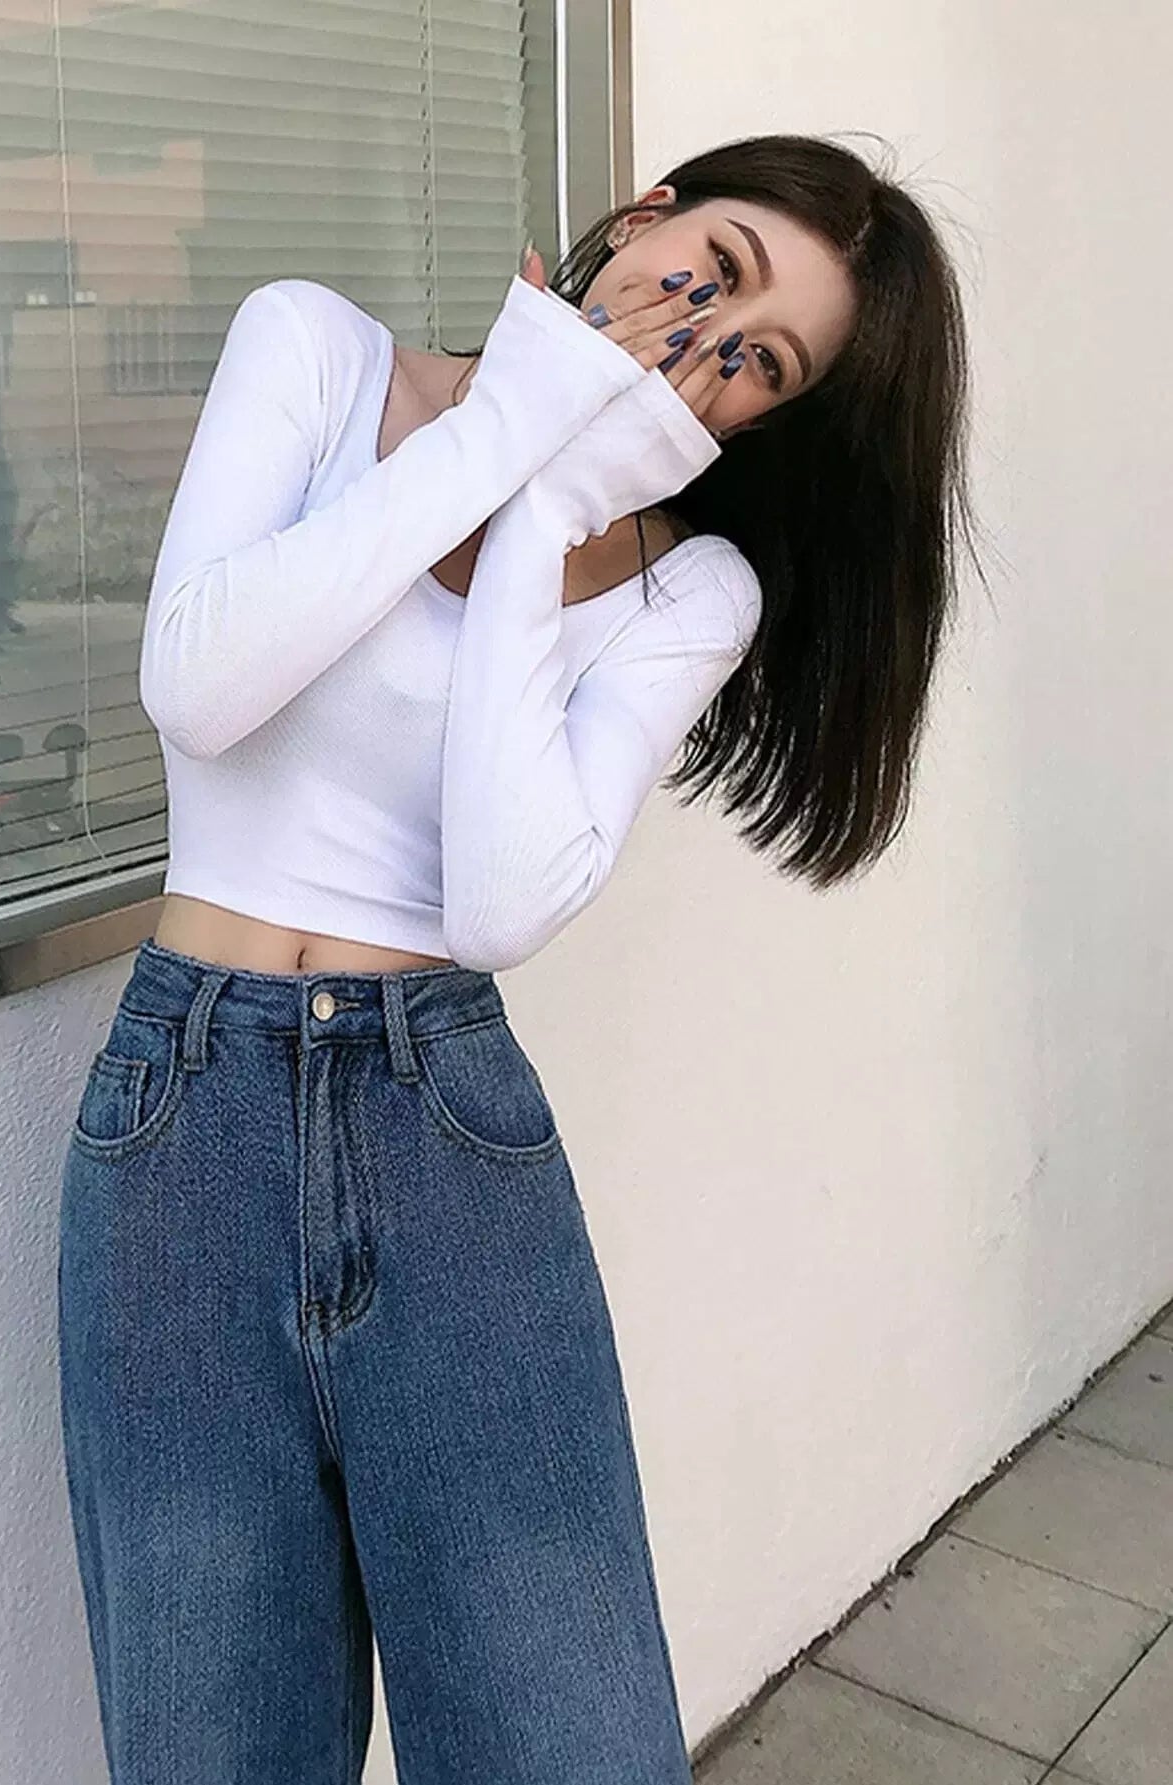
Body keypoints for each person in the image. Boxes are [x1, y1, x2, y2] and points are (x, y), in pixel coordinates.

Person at [57, 133, 974, 1782]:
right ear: (648, 214)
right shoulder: (317, 353)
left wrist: (549, 501)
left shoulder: (691, 587)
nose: (708, 337)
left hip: (445, 1136)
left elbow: (495, 903)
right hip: (182, 1125)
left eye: (764, 363)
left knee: (563, 1741)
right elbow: (199, 683)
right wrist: (504, 422)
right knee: (209, 1744)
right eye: (722, 269)